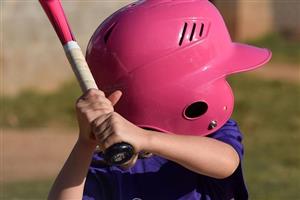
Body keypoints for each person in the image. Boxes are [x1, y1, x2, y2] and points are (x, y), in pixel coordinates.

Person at [48, 0, 271, 199]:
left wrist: (146, 138)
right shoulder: (112, 163)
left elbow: (226, 163)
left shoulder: (213, 136)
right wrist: (85, 144)